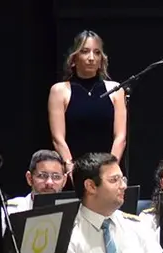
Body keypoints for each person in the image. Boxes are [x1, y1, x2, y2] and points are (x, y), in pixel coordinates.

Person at [48, 30, 126, 163]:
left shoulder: (115, 89)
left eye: (97, 52)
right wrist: (70, 166)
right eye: (85, 52)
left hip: (107, 167)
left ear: (101, 59)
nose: (91, 58)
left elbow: (120, 137)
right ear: (74, 59)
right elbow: (58, 139)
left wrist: (111, 166)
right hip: (74, 166)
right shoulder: (59, 90)